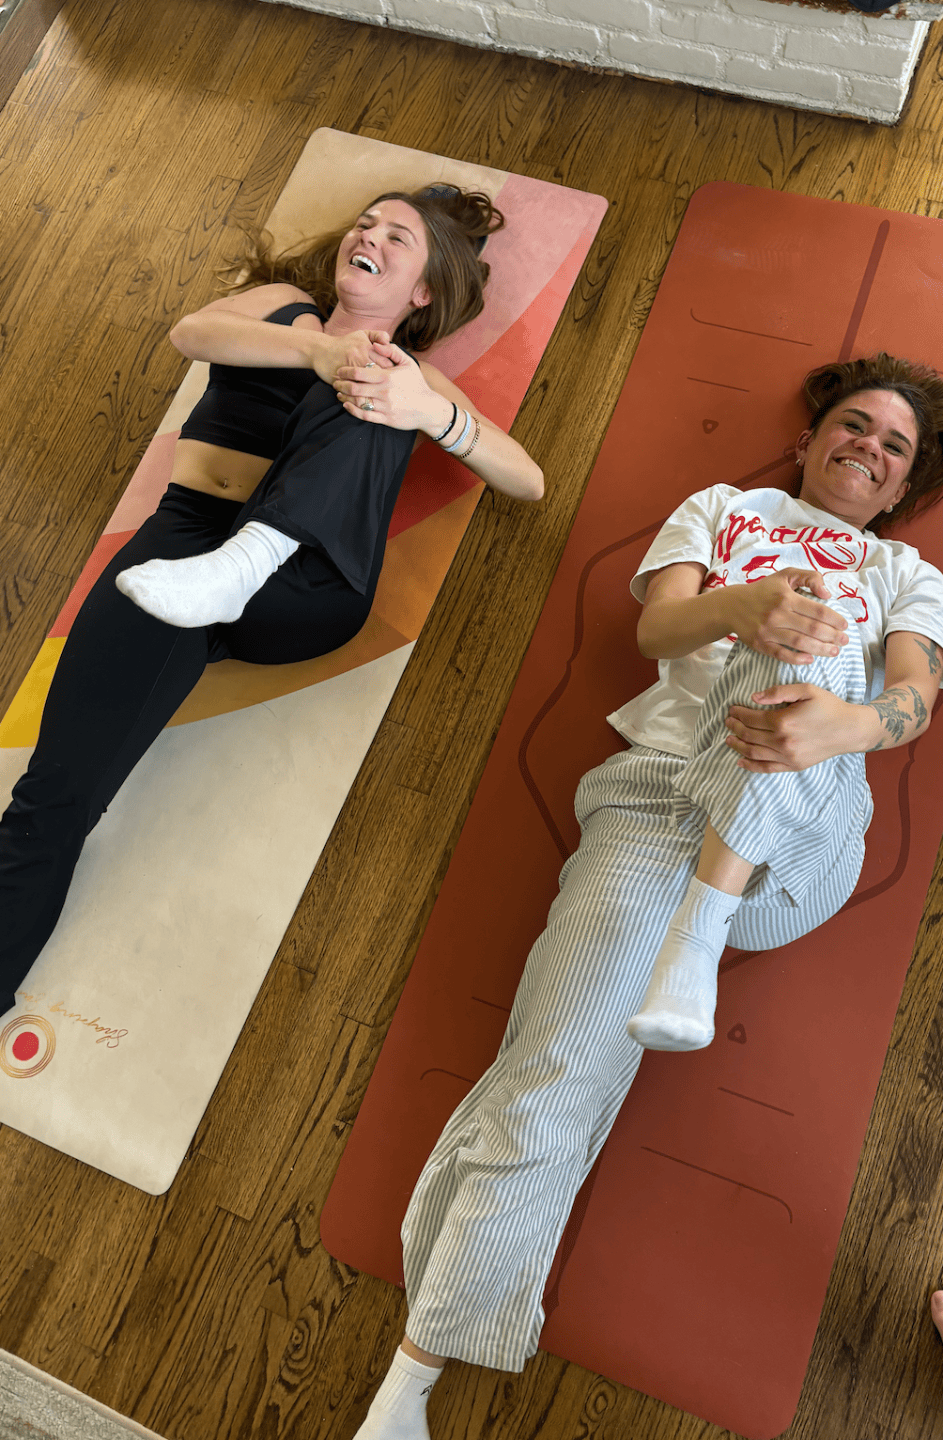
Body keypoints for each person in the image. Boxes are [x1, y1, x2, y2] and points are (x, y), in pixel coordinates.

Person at [349, 354, 943, 1440]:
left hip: (804, 834)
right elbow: (657, 632)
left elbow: (912, 694)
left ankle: (701, 928)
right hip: (657, 802)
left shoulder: (902, 572)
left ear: (903, 485)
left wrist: (846, 723)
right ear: (809, 440)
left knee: (809, 641)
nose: (868, 446)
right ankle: (411, 1377)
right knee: (548, 1077)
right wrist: (748, 602)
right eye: (853, 424)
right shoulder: (720, 510)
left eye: (893, 446)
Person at [0, 183, 544, 1018]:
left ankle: (250, 558)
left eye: (397, 237)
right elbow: (192, 333)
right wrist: (319, 353)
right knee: (54, 795)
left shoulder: (408, 375)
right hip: (184, 552)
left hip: (305, 582)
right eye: (365, 222)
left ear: (423, 291)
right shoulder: (285, 308)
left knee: (380, 375)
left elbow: (527, 480)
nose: (369, 235)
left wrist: (429, 410)